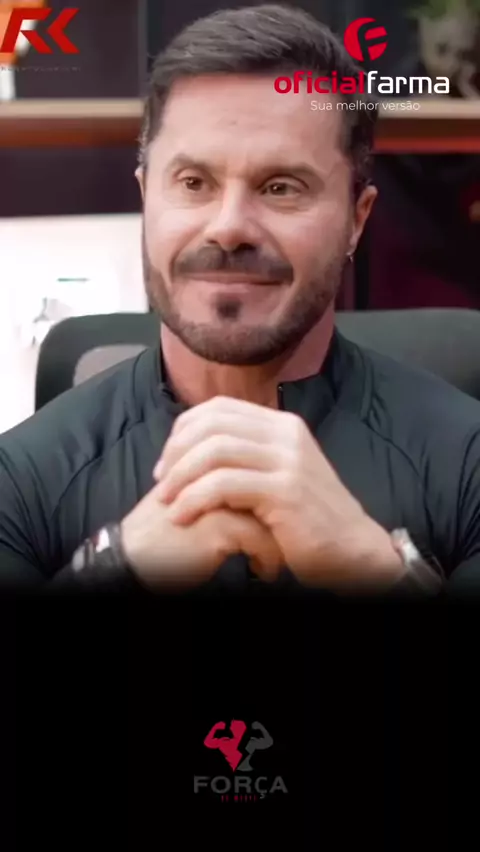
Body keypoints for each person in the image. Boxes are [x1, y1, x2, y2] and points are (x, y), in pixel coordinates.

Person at [0, 3, 479, 594]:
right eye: (193, 183)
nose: (228, 228)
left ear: (356, 221)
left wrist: (373, 569)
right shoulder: (19, 481)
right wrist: (119, 567)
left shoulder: (467, 464)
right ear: (147, 198)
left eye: (281, 187)